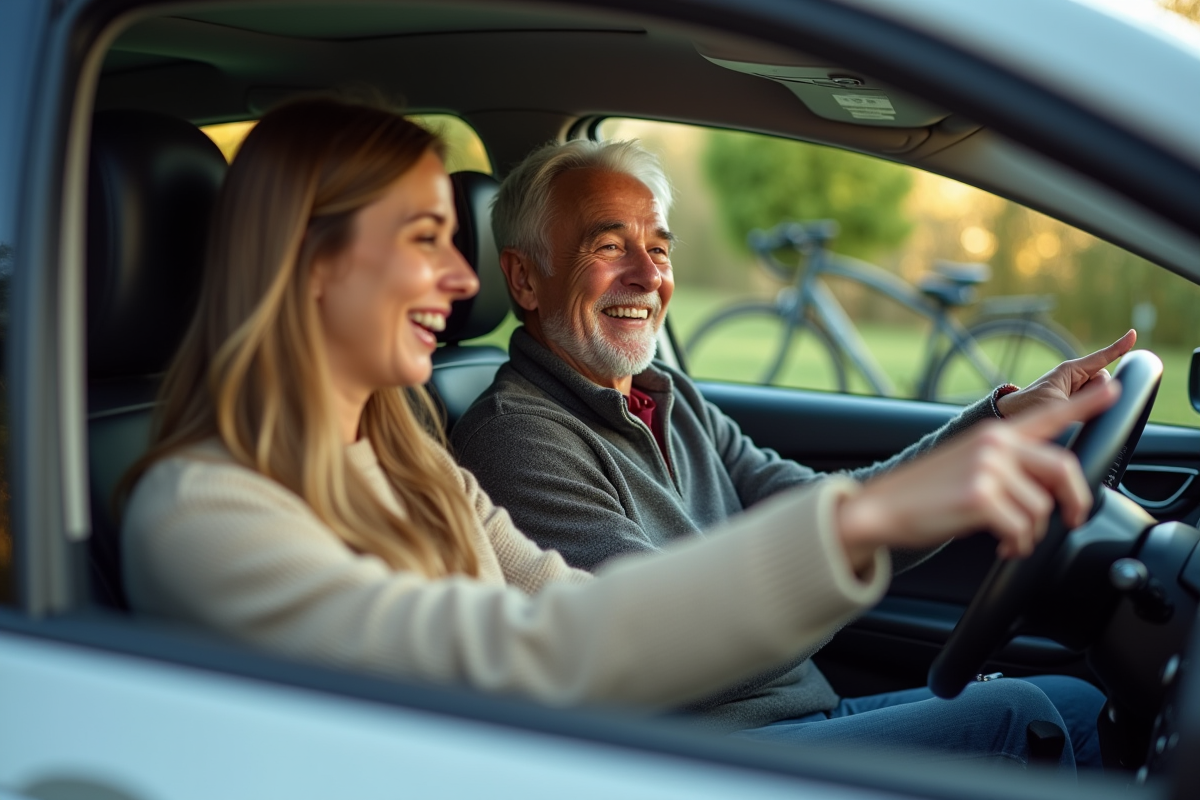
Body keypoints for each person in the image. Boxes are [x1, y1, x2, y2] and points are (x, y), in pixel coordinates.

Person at [122, 98, 1115, 772]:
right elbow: (558, 648)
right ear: (311, 259)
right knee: (1038, 721)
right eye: (426, 238)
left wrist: (985, 431)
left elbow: (578, 604)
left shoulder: (408, 458)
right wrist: (865, 520)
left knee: (1070, 701)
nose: (462, 284)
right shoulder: (202, 516)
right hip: (665, 759)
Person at [451, 139, 1136, 765]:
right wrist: (842, 549)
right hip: (709, 756)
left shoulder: (667, 396)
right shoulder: (517, 437)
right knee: (1017, 719)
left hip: (806, 713)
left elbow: (818, 503)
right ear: (525, 278)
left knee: (1075, 703)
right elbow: (661, 644)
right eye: (608, 246)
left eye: (659, 249)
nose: (646, 275)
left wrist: (998, 420)